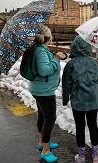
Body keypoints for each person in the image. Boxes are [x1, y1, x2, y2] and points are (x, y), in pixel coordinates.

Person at [62, 36, 98, 163]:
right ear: (87, 48)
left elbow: (66, 85)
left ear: (74, 48)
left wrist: (65, 100)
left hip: (78, 101)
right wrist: (95, 65)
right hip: (93, 100)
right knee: (93, 125)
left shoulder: (71, 64)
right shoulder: (94, 62)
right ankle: (95, 156)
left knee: (80, 126)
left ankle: (81, 156)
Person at [28, 25, 61, 163]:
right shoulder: (40, 51)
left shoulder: (37, 49)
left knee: (42, 115)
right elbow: (43, 70)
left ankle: (42, 142)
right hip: (44, 91)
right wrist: (56, 59)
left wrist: (52, 56)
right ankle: (45, 150)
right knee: (50, 118)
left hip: (39, 88)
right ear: (47, 37)